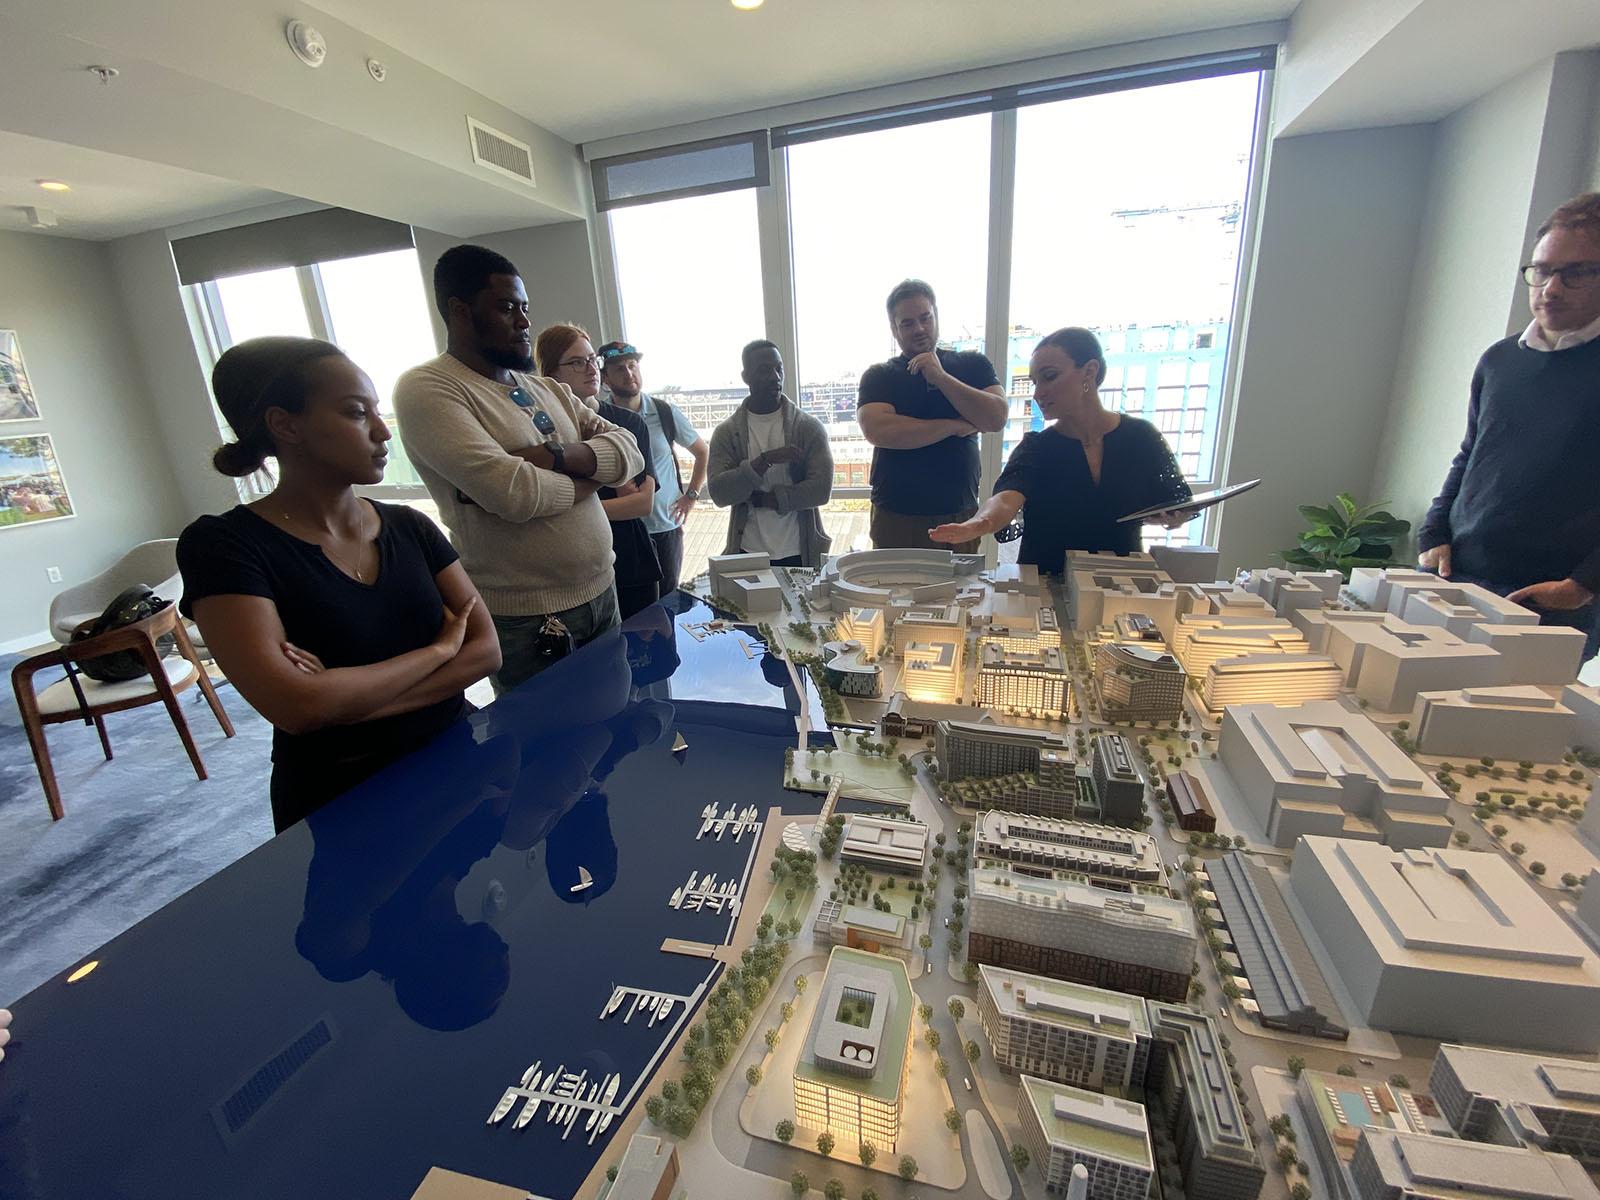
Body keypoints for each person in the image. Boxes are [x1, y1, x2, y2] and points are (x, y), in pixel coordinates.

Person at [177, 337, 502, 832]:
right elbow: (297, 705)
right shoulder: (223, 546)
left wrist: (343, 702)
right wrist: (437, 652)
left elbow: (484, 652)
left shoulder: (410, 527)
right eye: (356, 413)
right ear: (285, 424)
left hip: (455, 763)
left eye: (376, 411)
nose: (381, 432)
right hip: (342, 795)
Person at [393, 246, 644, 693]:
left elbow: (631, 450)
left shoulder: (546, 387)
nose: (525, 321)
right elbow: (516, 494)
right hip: (529, 620)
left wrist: (554, 458)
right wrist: (594, 473)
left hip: (603, 594)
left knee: (611, 729)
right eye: (507, 308)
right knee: (547, 753)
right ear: (459, 310)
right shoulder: (430, 389)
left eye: (525, 307)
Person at [1419, 193, 1600, 662]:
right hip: (1457, 574)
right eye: (1541, 271)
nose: (1551, 289)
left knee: (1504, 731)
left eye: (1576, 273)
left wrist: (1584, 584)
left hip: (1549, 598)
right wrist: (1434, 531)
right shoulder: (1499, 361)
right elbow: (1471, 453)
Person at [930, 327, 1190, 571]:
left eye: (1050, 377)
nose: (1038, 393)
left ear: (1089, 371)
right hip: (1043, 587)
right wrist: (980, 523)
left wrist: (1173, 514)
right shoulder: (1037, 447)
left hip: (1120, 582)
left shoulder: (1141, 437)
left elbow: (1175, 500)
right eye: (1035, 382)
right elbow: (1006, 499)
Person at [856, 279, 1007, 551]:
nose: (919, 329)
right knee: (893, 592)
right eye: (907, 323)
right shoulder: (880, 376)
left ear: (936, 317)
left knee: (961, 593)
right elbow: (878, 430)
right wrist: (952, 425)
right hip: (895, 517)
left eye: (925, 318)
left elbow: (995, 418)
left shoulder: (972, 365)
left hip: (959, 515)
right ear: (894, 329)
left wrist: (940, 377)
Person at [535, 323, 662, 619]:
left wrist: (574, 506)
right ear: (551, 373)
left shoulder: (626, 424)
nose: (591, 369)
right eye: (578, 363)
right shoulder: (543, 431)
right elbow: (538, 499)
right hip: (568, 570)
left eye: (593, 360)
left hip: (631, 561)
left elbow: (642, 503)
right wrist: (615, 493)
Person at [706, 340, 834, 567]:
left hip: (799, 549)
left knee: (801, 604)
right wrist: (766, 460)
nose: (775, 376)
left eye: (779, 368)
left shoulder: (807, 427)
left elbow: (821, 490)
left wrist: (764, 498)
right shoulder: (727, 433)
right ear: (746, 377)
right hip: (746, 549)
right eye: (764, 370)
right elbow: (719, 493)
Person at [598, 341, 708, 594]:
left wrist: (691, 496)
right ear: (606, 378)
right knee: (630, 607)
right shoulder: (599, 418)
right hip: (622, 530)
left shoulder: (664, 412)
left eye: (632, 366)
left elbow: (702, 452)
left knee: (667, 602)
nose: (629, 374)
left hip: (664, 528)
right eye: (619, 369)